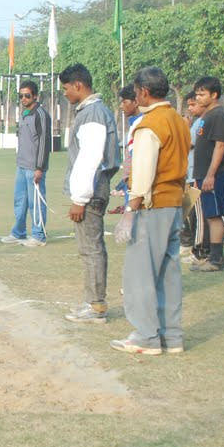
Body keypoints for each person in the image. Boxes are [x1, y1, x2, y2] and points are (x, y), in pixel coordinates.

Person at [110, 66, 191, 356]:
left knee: (140, 274)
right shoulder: (179, 122)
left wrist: (130, 209)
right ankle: (172, 335)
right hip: (173, 204)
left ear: (143, 92)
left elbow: (143, 171)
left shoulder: (150, 125)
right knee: (169, 272)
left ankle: (145, 336)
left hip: (152, 205)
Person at [58, 63, 121, 324]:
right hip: (94, 188)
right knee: (90, 248)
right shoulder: (92, 111)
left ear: (78, 86)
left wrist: (79, 199)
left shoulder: (93, 114)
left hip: (92, 190)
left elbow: (90, 158)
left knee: (91, 248)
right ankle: (92, 301)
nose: (64, 94)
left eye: (65, 89)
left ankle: (96, 305)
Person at [190, 77, 224, 273]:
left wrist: (210, 175)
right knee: (208, 215)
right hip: (201, 174)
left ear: (214, 95)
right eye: (197, 93)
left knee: (215, 216)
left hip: (213, 175)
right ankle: (209, 255)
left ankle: (216, 259)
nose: (198, 97)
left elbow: (221, 145)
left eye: (202, 94)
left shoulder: (219, 115)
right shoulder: (206, 116)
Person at [2, 81, 51, 246]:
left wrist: (39, 168)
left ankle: (38, 235)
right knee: (20, 201)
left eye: (27, 95)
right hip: (21, 166)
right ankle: (19, 232)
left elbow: (44, 143)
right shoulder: (24, 114)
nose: (23, 99)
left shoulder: (40, 114)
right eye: (21, 96)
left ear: (35, 96)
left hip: (34, 167)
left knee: (35, 201)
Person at [110, 84, 143, 214]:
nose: (121, 106)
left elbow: (139, 158)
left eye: (125, 102)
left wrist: (132, 178)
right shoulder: (134, 123)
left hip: (137, 184)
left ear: (135, 102)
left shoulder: (141, 123)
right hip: (130, 182)